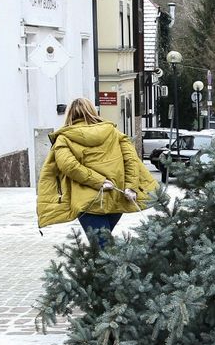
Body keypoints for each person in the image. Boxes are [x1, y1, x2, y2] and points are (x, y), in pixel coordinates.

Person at [36, 97, 157, 246]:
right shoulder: (113, 132)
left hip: (88, 202)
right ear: (93, 111)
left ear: (69, 115)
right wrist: (130, 186)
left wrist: (99, 182)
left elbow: (69, 166)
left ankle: (106, 269)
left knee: (103, 249)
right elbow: (131, 160)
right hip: (116, 197)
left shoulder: (64, 138)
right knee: (103, 246)